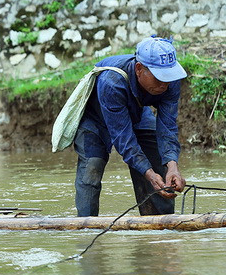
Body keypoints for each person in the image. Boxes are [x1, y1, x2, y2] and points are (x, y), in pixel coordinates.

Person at [73, 36, 188, 217]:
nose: (164, 84)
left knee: (157, 162)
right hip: (96, 118)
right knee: (91, 170)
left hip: (138, 112)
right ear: (139, 69)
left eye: (168, 77)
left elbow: (167, 127)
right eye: (159, 78)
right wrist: (148, 173)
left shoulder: (171, 81)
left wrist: (172, 165)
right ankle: (87, 229)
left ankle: (160, 230)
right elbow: (123, 138)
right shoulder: (112, 81)